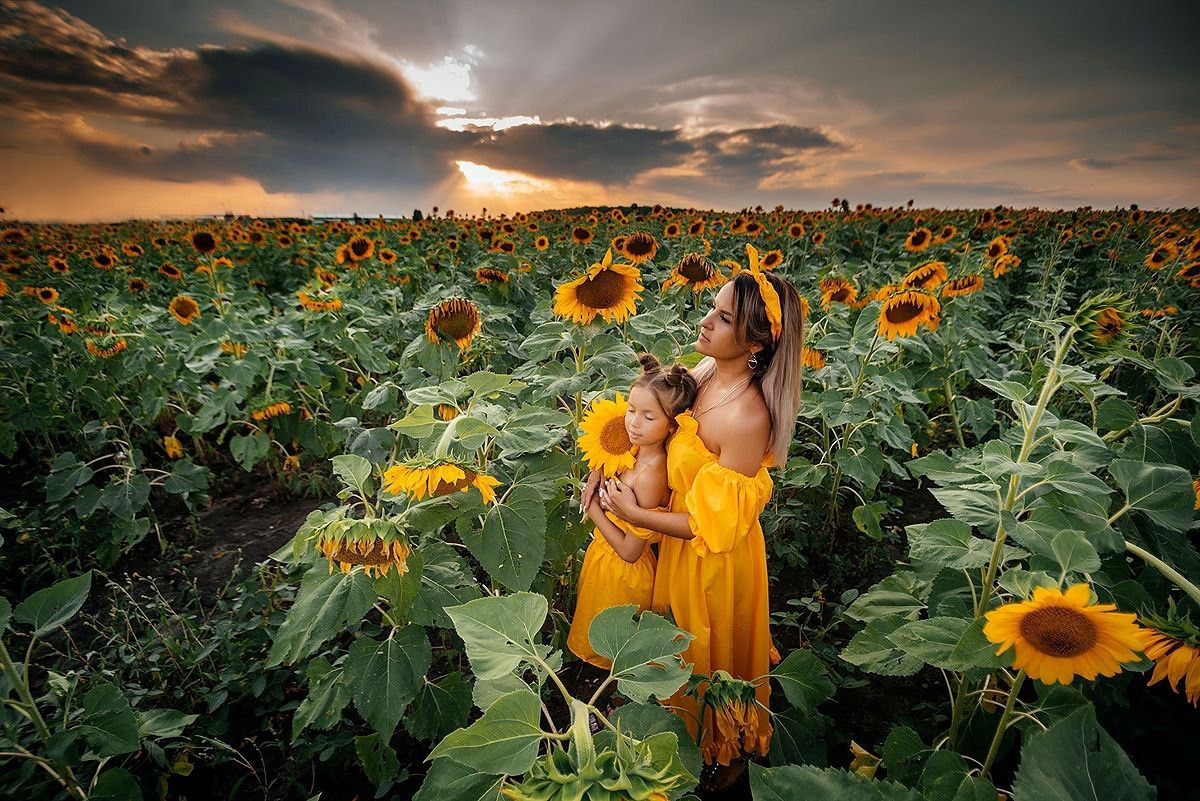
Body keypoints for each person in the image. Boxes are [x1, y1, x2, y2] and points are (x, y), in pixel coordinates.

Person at [581, 244, 806, 789]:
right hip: (676, 543)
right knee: (672, 650)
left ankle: (719, 768)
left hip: (713, 563)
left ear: (756, 342)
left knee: (706, 656)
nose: (706, 320)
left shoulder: (748, 416)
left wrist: (635, 513)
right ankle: (669, 746)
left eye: (724, 318)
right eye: (713, 307)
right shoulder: (702, 378)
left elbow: (712, 527)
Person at [568, 353, 699, 669]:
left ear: (672, 426)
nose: (633, 422)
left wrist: (594, 508)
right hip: (604, 562)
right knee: (597, 642)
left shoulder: (650, 477)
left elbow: (630, 551)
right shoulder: (635, 447)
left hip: (623, 576)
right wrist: (598, 470)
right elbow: (607, 455)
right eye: (630, 409)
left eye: (648, 417)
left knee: (616, 653)